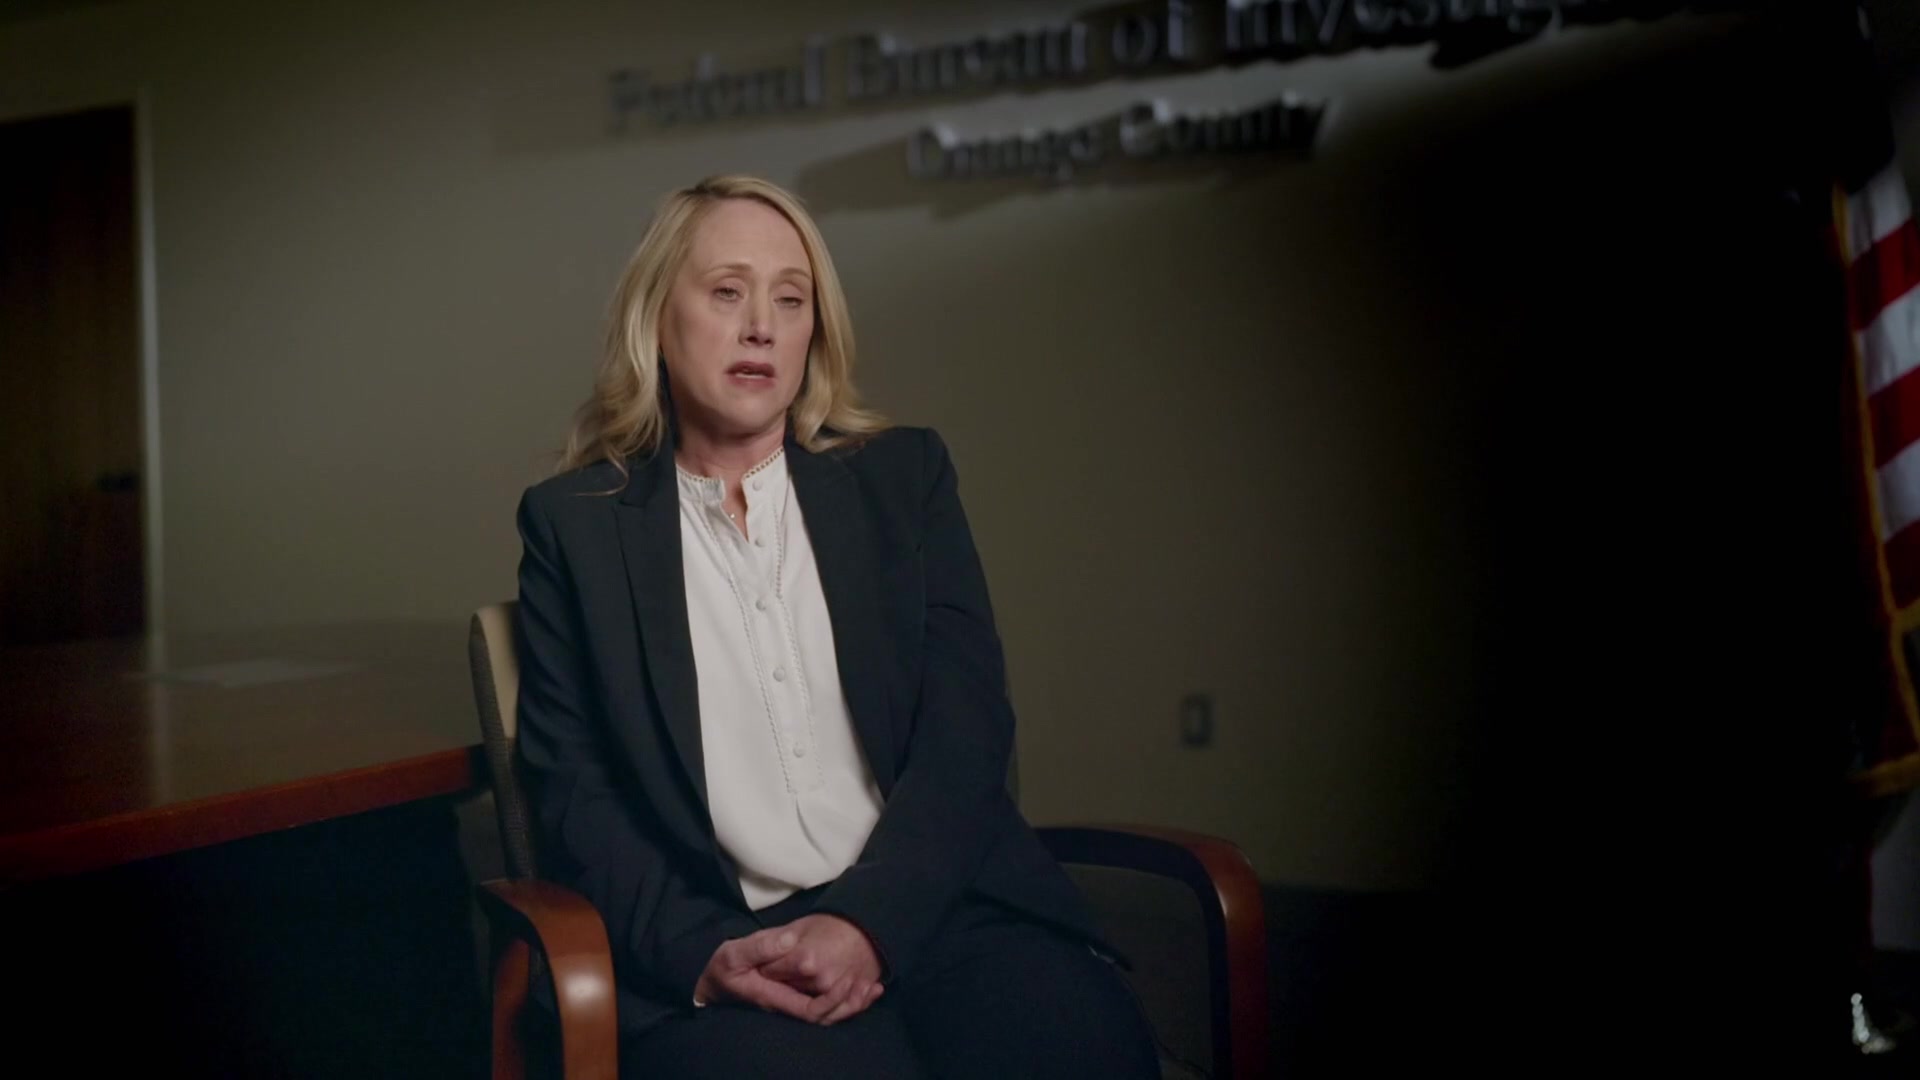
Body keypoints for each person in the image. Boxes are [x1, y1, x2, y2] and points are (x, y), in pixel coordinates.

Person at [513, 174, 1160, 1078]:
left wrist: (869, 923)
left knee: (1074, 1045)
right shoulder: (573, 527)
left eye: (791, 299)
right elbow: (576, 795)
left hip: (936, 900)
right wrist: (703, 955)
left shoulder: (904, 480)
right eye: (727, 291)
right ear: (657, 317)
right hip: (733, 938)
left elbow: (966, 732)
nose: (761, 327)